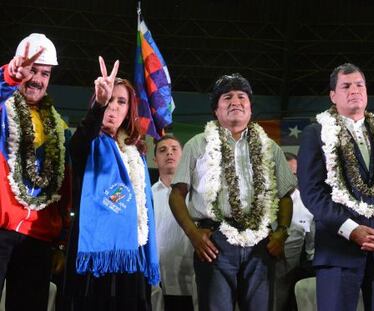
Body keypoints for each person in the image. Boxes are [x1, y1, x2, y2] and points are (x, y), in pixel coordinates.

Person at [169, 73, 297, 311]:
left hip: (261, 244)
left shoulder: (270, 147)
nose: (235, 101)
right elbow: (177, 194)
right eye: (227, 97)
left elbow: (285, 195)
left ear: (249, 109)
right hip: (214, 242)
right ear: (216, 111)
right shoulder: (197, 144)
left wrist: (282, 232)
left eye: (242, 97)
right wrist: (194, 235)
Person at [297, 63, 374, 311]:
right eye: (346, 86)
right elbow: (312, 193)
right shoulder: (315, 134)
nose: (354, 90)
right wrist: (351, 229)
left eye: (360, 85)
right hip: (339, 250)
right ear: (333, 95)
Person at [63, 57, 159, 311]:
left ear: (129, 111)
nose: (113, 108)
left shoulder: (136, 154)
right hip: (94, 254)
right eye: (108, 101)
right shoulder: (88, 144)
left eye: (121, 102)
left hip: (132, 254)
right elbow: (77, 145)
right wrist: (98, 107)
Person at [0, 33, 72, 310]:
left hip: (39, 237)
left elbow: (65, 188)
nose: (37, 79)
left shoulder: (59, 126)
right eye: (32, 70)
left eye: (45, 73)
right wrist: (9, 75)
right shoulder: (3, 108)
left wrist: (61, 241)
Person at [152, 135, 194, 311]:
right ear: (155, 160)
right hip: (158, 282)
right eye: (162, 150)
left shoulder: (197, 192)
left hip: (193, 279)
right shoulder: (147, 194)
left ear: (183, 156)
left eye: (174, 149)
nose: (169, 152)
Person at [274, 152, 314, 311]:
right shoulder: (259, 202)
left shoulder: (309, 202)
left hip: (296, 275)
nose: (291, 180)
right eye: (287, 174)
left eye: (295, 174)